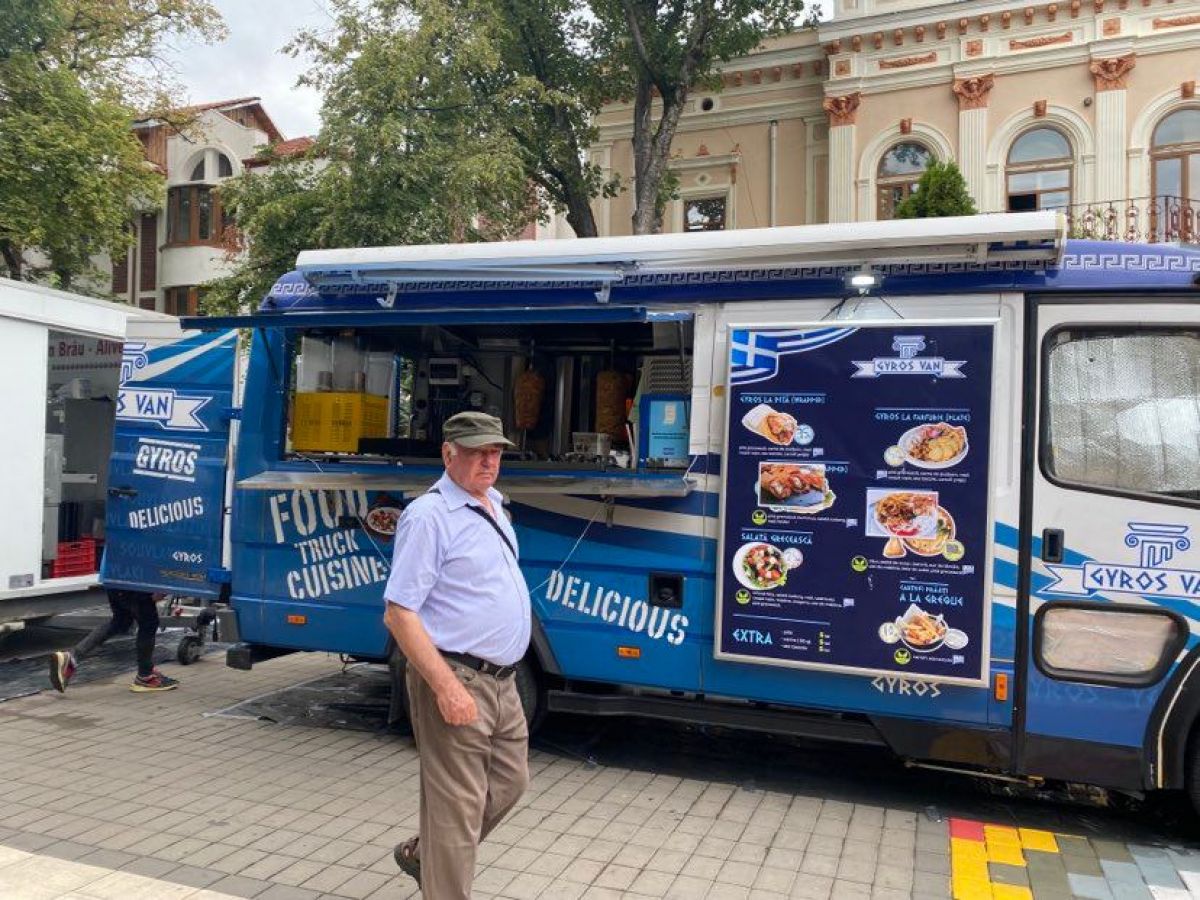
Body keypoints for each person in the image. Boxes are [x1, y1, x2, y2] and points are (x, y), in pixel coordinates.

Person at [383, 411, 531, 899]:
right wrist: (446, 687)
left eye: (495, 452)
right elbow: (399, 613)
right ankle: (441, 871)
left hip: (503, 682)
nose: (489, 461)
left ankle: (426, 854)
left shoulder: (494, 506)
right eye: (476, 452)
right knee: (457, 810)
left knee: (510, 782)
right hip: (458, 676)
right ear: (449, 454)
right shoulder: (429, 516)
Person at [48, 589, 180, 693]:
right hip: (137, 585)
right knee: (148, 623)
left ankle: (72, 657)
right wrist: (161, 589)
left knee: (121, 621)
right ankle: (146, 676)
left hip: (115, 583)